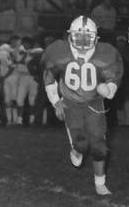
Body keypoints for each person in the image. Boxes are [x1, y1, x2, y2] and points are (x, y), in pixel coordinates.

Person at [42, 15, 123, 196]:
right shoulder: (59, 52)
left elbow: (114, 77)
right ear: (70, 36)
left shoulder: (106, 53)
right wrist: (56, 102)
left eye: (88, 37)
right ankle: (77, 150)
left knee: (100, 146)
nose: (83, 41)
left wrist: (109, 89)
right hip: (71, 103)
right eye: (79, 36)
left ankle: (100, 183)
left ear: (96, 38)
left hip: (95, 103)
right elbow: (49, 77)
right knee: (82, 143)